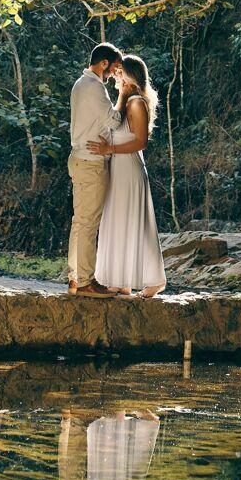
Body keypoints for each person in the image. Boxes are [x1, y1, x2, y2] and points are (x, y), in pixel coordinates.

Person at [88, 54, 167, 298]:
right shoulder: (126, 100)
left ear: (131, 76)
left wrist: (109, 149)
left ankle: (154, 281)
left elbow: (141, 141)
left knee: (133, 223)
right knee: (119, 222)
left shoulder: (136, 103)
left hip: (129, 169)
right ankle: (120, 281)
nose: (115, 74)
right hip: (118, 168)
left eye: (120, 71)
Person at [67, 43, 125, 297]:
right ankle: (85, 282)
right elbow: (114, 121)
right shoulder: (94, 87)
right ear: (104, 63)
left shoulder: (80, 84)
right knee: (89, 224)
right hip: (91, 162)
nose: (114, 74)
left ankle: (75, 277)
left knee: (80, 222)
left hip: (79, 158)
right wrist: (124, 95)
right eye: (114, 68)